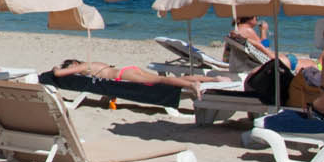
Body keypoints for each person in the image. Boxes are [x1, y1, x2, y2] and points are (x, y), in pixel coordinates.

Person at [47, 59, 217, 92]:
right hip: (127, 69)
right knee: (160, 79)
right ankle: (214, 79)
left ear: (75, 64)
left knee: (161, 80)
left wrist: (56, 68)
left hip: (123, 74)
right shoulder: (91, 65)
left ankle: (191, 85)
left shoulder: (83, 65)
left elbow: (59, 73)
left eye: (70, 66)